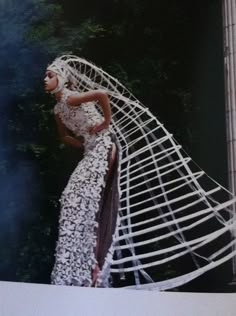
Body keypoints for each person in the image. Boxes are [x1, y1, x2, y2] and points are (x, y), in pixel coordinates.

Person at [44, 57, 119, 287]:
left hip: (103, 145)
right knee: (72, 199)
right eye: (45, 76)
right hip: (91, 149)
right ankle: (82, 267)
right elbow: (64, 136)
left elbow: (102, 95)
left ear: (62, 78)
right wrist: (81, 142)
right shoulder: (58, 109)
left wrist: (105, 121)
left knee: (80, 199)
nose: (44, 79)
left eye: (50, 75)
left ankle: (88, 266)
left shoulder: (71, 98)